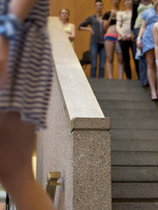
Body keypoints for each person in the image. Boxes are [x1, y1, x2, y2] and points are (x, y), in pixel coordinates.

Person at [0, 0, 57, 209]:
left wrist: (4, 32)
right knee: (16, 174)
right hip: (20, 37)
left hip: (12, 35)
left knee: (17, 175)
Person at [136, 0, 158, 101]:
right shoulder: (146, 12)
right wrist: (139, 38)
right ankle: (153, 91)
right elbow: (143, 27)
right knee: (150, 64)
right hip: (148, 38)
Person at [78, 0, 106, 78]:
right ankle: (93, 82)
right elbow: (80, 27)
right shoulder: (91, 17)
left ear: (102, 7)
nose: (98, 7)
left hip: (104, 43)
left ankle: (101, 82)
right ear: (95, 7)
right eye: (96, 5)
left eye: (100, 5)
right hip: (94, 43)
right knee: (94, 63)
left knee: (102, 64)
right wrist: (89, 29)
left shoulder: (105, 17)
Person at [116, 0, 138, 80]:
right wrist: (122, 35)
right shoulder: (120, 13)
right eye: (125, 1)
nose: (127, 2)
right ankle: (129, 78)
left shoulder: (136, 11)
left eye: (129, 0)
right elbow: (118, 26)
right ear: (123, 3)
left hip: (133, 37)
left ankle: (139, 77)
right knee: (126, 58)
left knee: (136, 57)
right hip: (123, 38)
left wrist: (132, 34)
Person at [132, 0, 152, 86]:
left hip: (149, 28)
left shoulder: (154, 2)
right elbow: (133, 17)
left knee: (148, 53)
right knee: (141, 52)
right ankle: (143, 79)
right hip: (138, 26)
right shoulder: (136, 2)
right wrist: (132, 31)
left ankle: (149, 79)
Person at [103, 0, 124, 79]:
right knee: (110, 58)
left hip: (120, 37)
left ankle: (120, 78)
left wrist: (118, 16)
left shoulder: (123, 13)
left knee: (121, 58)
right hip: (109, 36)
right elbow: (104, 27)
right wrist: (111, 16)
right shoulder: (107, 14)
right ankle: (110, 78)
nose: (115, 1)